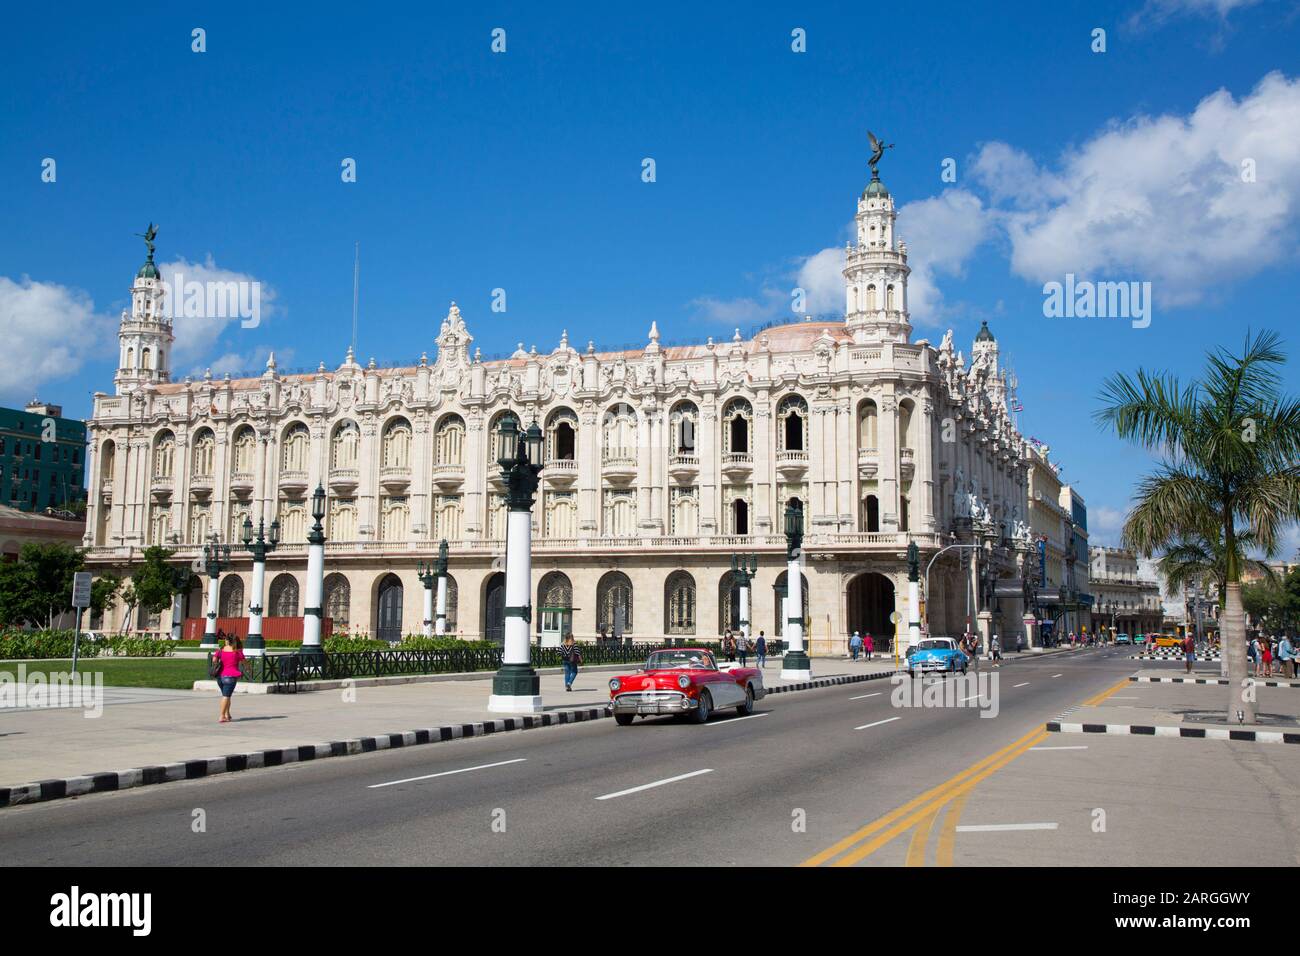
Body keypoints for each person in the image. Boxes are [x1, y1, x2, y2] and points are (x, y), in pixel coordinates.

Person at [213, 631, 246, 723]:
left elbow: (214, 660)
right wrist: (249, 669)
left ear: (227, 641)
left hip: (220, 677)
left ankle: (227, 714)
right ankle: (222, 716)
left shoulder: (220, 650)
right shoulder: (237, 652)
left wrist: (218, 662)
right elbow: (245, 663)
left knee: (227, 696)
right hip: (230, 677)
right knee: (226, 696)